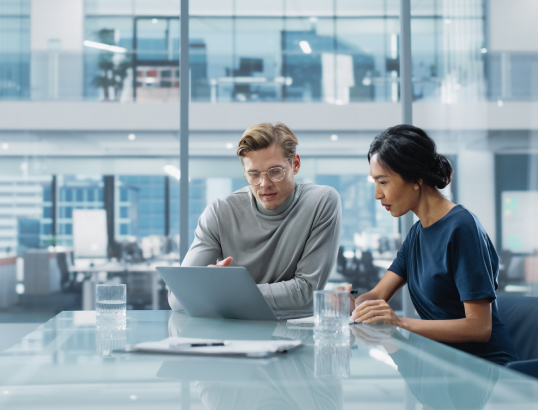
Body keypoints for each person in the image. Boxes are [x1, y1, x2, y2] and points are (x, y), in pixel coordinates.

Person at [340, 124, 518, 365]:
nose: (377, 195)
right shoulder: (417, 234)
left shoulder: (462, 228)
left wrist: (400, 322)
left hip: (484, 368)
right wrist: (352, 304)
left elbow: (479, 327)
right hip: (440, 361)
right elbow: (377, 295)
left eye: (383, 182)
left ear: (415, 178)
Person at [169, 122, 342, 311]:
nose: (264, 184)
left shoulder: (321, 202)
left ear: (296, 164)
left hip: (295, 332)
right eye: (253, 174)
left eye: (275, 171)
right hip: (232, 335)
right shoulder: (219, 212)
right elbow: (178, 297)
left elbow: (306, 292)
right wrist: (216, 288)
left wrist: (221, 292)